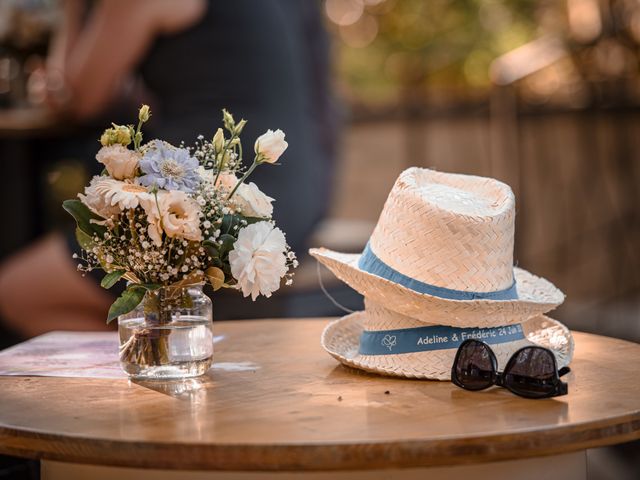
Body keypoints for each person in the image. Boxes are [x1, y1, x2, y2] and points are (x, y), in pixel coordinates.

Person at [0, 0, 336, 338]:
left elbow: (78, 97)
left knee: (17, 294)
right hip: (283, 190)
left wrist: (70, 8)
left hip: (210, 196)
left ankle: (158, 361)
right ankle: (163, 352)